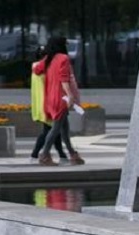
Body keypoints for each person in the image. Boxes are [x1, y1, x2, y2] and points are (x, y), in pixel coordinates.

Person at [32, 37, 85, 166]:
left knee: (64, 129)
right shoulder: (63, 58)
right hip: (61, 98)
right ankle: (44, 155)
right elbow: (64, 79)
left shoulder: (48, 59)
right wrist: (70, 96)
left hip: (50, 98)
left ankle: (73, 154)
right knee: (55, 129)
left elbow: (37, 70)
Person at [29, 46, 67, 163]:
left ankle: (62, 155)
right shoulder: (44, 67)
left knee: (53, 130)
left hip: (42, 103)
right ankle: (35, 155)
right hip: (47, 104)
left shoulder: (36, 66)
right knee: (50, 131)